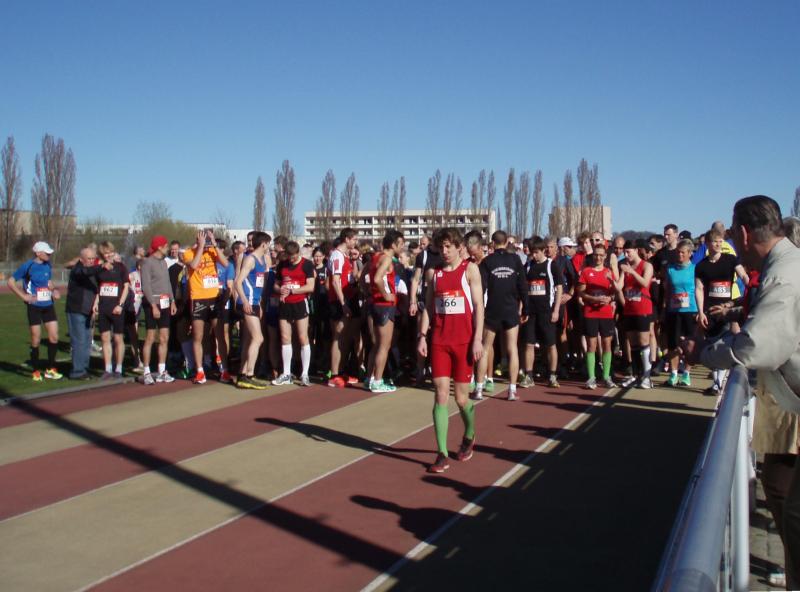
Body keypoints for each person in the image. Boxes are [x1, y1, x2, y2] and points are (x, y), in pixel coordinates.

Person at [700, 195, 800, 589]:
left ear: (743, 234)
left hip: (789, 398)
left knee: (793, 511)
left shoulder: (783, 274)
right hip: (788, 397)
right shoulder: (785, 265)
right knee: (785, 499)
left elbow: (757, 347)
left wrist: (707, 354)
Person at [417, 228, 484, 474]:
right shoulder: (433, 274)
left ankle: (470, 433)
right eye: (441, 247)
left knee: (462, 399)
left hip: (464, 342)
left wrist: (478, 339)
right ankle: (442, 453)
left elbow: (478, 305)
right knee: (440, 395)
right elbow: (428, 307)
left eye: (448, 247)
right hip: (439, 342)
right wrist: (422, 336)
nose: (444, 252)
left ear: (459, 247)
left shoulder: (470, 270)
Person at [473, 230, 528, 401]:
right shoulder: (515, 260)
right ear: (506, 243)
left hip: (492, 310)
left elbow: (481, 288)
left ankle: (479, 388)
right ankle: (511, 390)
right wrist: (525, 308)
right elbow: (523, 285)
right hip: (511, 309)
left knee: (485, 348)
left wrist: (478, 309)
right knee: (512, 348)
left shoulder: (487, 261)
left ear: (492, 243)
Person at [694, 228, 748, 395]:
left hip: (727, 308)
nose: (718, 244)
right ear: (707, 244)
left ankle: (719, 384)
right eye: (715, 242)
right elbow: (699, 288)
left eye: (720, 241)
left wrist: (750, 288)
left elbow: (743, 276)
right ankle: (718, 382)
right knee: (712, 343)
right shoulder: (701, 266)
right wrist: (700, 311)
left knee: (726, 341)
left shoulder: (730, 259)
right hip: (710, 309)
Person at [8, 241, 63, 381]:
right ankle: (35, 371)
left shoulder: (48, 265)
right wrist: (23, 296)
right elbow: (11, 282)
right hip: (34, 307)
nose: (49, 255)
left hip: (48, 305)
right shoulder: (28, 266)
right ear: (38, 253)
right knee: (36, 339)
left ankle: (51, 369)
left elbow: (49, 283)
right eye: (47, 253)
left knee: (54, 337)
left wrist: (54, 291)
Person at [183, 229, 229, 385]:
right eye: (201, 239)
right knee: (198, 336)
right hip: (198, 298)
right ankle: (200, 371)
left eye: (206, 239)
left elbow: (225, 263)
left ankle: (224, 370)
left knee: (219, 335)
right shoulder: (188, 253)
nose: (205, 242)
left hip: (214, 297)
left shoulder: (212, 251)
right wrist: (201, 247)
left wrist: (214, 244)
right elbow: (194, 265)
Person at [576, 242, 622, 389]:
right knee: (592, 345)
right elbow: (580, 292)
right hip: (590, 312)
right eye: (596, 255)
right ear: (593, 256)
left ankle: (606, 376)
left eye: (601, 255)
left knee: (607, 344)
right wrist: (593, 299)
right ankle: (591, 377)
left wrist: (610, 298)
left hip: (606, 313)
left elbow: (616, 292)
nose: (598, 258)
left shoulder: (609, 272)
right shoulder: (586, 271)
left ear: (605, 256)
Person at [520, 239, 562, 389]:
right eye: (532, 253)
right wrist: (522, 308)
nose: (534, 256)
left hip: (546, 311)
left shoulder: (551, 265)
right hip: (531, 312)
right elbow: (524, 288)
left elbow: (559, 288)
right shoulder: (528, 266)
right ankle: (529, 375)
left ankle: (552, 375)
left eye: (536, 252)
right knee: (529, 344)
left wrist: (556, 309)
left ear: (543, 250)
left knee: (550, 344)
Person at [366, 230, 405, 393]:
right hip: (384, 305)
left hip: (375, 304)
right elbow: (377, 279)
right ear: (393, 244)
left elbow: (363, 276)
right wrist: (385, 294)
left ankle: (369, 378)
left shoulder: (375, 256)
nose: (402, 247)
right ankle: (377, 381)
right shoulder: (387, 258)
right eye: (401, 244)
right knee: (384, 345)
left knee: (376, 345)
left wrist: (370, 292)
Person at [272, 241, 315, 386]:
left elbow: (310, 286)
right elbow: (276, 284)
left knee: (303, 337)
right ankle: (286, 373)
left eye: (294, 256)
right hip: (285, 305)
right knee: (285, 338)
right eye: (289, 256)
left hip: (300, 303)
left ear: (298, 253)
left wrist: (293, 290)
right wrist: (280, 289)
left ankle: (305, 374)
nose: (291, 259)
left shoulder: (307, 264)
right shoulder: (282, 265)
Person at [234, 231, 271, 389]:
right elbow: (238, 282)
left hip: (255, 302)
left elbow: (259, 285)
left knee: (249, 340)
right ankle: (250, 374)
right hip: (248, 301)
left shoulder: (263, 260)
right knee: (258, 338)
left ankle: (242, 375)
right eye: (268, 244)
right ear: (263, 244)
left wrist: (260, 304)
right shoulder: (250, 259)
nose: (269, 246)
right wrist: (243, 301)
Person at [140, 235, 177, 385]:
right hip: (152, 303)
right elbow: (146, 286)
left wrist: (172, 301)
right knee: (150, 337)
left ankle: (162, 370)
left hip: (165, 302)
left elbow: (167, 283)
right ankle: (146, 372)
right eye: (166, 246)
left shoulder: (163, 262)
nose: (168, 248)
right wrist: (153, 305)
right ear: (159, 247)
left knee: (164, 337)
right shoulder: (147, 263)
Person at [662, 238, 698, 387]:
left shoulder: (695, 269)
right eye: (678, 252)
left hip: (690, 310)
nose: (680, 255)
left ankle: (686, 374)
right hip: (673, 310)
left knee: (690, 344)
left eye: (683, 252)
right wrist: (665, 308)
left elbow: (699, 289)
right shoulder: (670, 269)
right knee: (673, 343)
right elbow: (668, 290)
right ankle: (674, 373)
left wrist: (700, 310)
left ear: (690, 253)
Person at [327, 229, 361, 388]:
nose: (355, 242)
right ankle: (334, 374)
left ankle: (340, 370)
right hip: (338, 301)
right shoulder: (337, 256)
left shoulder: (345, 256)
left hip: (348, 298)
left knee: (345, 337)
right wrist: (342, 303)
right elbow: (335, 281)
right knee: (338, 336)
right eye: (354, 239)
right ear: (346, 239)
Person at [619, 241, 655, 389]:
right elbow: (619, 287)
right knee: (633, 344)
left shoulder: (646, 266)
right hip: (629, 309)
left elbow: (645, 283)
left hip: (642, 308)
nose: (626, 255)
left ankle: (647, 377)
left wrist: (632, 272)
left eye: (629, 252)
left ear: (636, 250)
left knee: (643, 342)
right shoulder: (624, 266)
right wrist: (612, 276)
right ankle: (635, 375)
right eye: (624, 252)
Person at [95, 241, 130, 378]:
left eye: (110, 252)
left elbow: (126, 287)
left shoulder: (120, 267)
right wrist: (96, 303)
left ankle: (119, 368)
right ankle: (108, 368)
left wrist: (120, 304)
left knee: (118, 338)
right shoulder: (100, 269)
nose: (109, 255)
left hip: (117, 308)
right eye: (106, 253)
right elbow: (98, 288)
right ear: (102, 255)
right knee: (105, 338)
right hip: (104, 307)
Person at [65, 246, 101, 379]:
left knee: (87, 341)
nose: (91, 261)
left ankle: (84, 368)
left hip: (88, 311)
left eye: (93, 258)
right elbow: (86, 272)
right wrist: (102, 266)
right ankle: (77, 371)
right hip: (76, 310)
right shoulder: (78, 270)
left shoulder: (92, 271)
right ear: (81, 259)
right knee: (79, 341)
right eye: (89, 258)